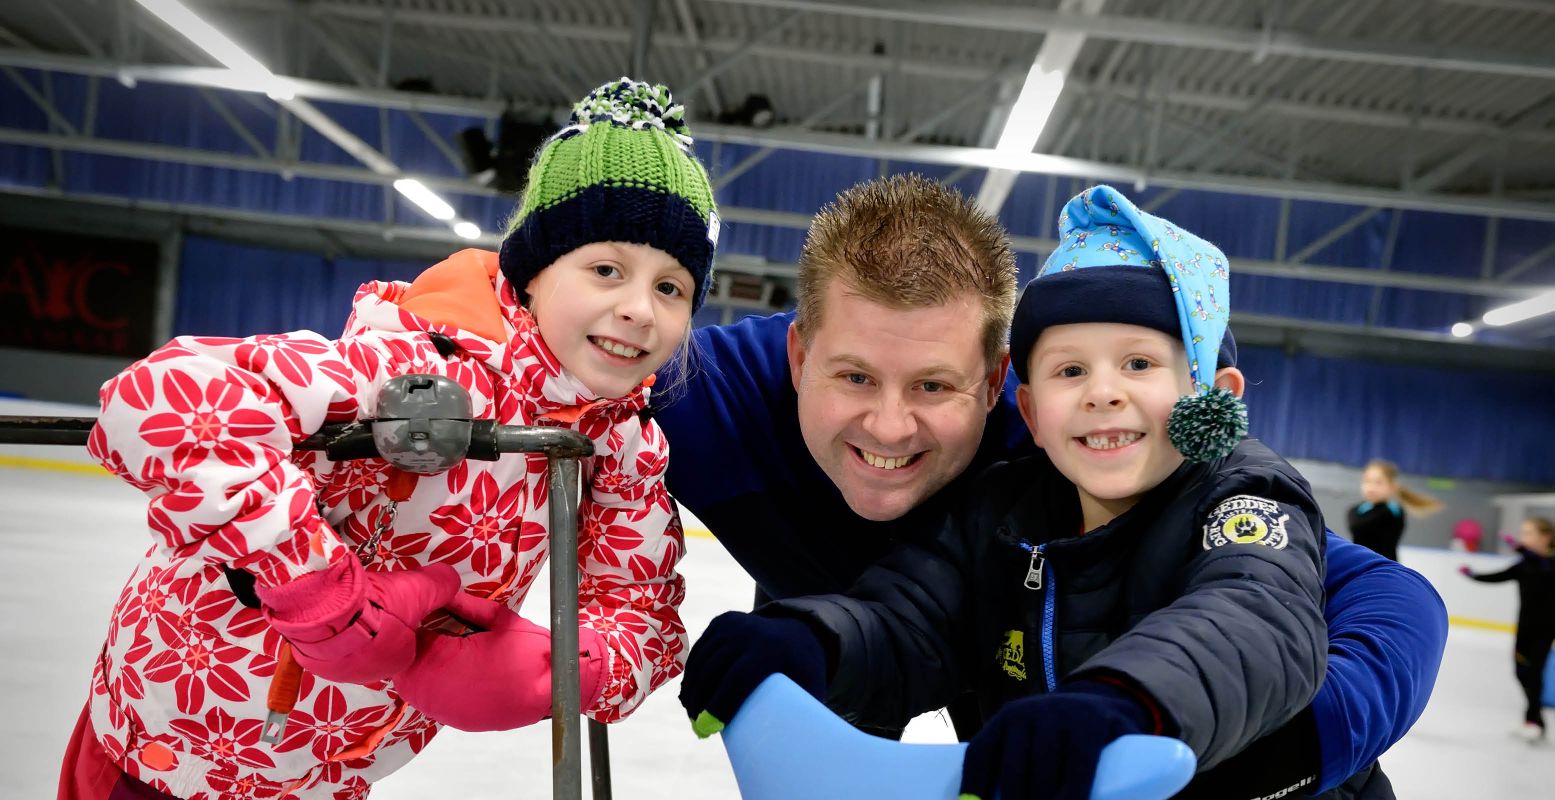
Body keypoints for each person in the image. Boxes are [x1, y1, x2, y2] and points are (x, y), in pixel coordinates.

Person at [654, 175, 1447, 798]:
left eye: (934, 386)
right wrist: (810, 641)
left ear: (997, 386)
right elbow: (911, 613)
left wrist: (1182, 729)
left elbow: (1263, 608)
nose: (890, 427)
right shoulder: (1004, 504)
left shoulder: (1204, 489)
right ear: (798, 358)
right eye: (853, 376)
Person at [58, 78, 711, 800]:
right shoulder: (417, 364)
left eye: (671, 287)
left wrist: (568, 665)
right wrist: (316, 589)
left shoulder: (620, 445)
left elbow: (643, 617)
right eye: (606, 269)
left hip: (329, 777)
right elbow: (161, 402)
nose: (638, 310)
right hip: (162, 749)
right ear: (532, 274)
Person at [1460, 517, 1555, 742]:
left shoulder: (1550, 563)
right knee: (1521, 672)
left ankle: (1532, 720)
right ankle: (1536, 718)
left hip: (1546, 629)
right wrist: (1473, 575)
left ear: (1546, 537)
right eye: (1523, 534)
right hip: (1524, 628)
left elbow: (1545, 567)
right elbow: (1498, 576)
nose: (1525, 538)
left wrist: (1522, 549)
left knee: (1535, 672)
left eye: (1530, 533)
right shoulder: (1525, 564)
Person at [1346, 458, 1443, 561]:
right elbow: (1356, 527)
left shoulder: (1394, 512)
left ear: (1392, 486)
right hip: (1360, 564)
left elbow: (1369, 523)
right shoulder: (1355, 510)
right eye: (1367, 481)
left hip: (1386, 567)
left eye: (1378, 482)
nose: (1371, 487)